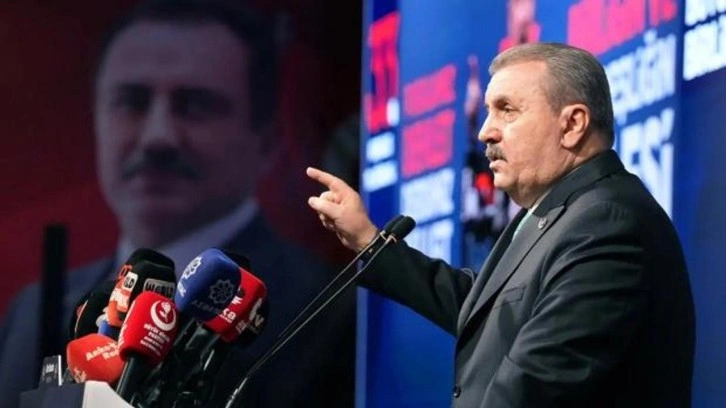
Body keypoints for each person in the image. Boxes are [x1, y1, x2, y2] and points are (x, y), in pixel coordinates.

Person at [0, 1, 354, 407]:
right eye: (132, 101)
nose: (158, 137)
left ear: (267, 138)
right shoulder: (32, 308)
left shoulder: (325, 310)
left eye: (194, 105)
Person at [307, 42, 695, 407]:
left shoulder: (608, 222)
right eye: (489, 111)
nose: (485, 131)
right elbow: (489, 309)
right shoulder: (559, 212)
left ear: (572, 124)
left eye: (507, 109)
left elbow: (534, 386)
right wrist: (368, 240)